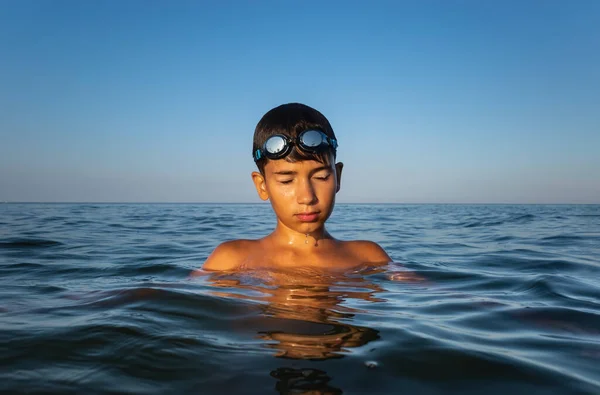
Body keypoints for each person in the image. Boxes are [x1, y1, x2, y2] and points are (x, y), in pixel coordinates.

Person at [201, 103, 391, 271]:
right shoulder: (230, 259)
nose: (307, 197)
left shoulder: (368, 257)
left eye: (321, 177)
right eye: (286, 181)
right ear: (262, 185)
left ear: (337, 177)